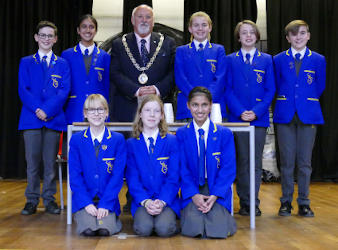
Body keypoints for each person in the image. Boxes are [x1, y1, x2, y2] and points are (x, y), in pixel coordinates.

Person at [273, 20, 326, 217]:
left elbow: (319, 86)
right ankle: (286, 201)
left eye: (302, 33)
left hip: (308, 114)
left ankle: (304, 202)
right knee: (287, 162)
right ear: (288, 38)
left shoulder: (319, 59)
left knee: (304, 162)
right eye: (294, 34)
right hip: (285, 114)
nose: (298, 37)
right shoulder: (278, 59)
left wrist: (304, 101)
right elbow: (277, 84)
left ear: (308, 35)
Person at [18, 21, 70, 215]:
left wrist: (47, 110)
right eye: (43, 35)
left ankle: (49, 199)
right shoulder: (26, 62)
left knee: (50, 163)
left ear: (55, 39)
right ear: (36, 37)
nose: (46, 39)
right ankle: (31, 200)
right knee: (32, 163)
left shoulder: (62, 63)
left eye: (50, 36)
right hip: (31, 119)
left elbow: (63, 91)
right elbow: (23, 90)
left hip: (53, 119)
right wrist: (38, 109)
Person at [226, 20, 275, 216]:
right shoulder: (230, 59)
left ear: (256, 36)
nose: (248, 36)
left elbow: (270, 89)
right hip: (237, 118)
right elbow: (227, 89)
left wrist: (256, 111)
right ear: (238, 37)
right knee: (242, 161)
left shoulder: (266, 60)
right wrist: (240, 112)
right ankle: (244, 201)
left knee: (255, 161)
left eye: (251, 32)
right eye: (244, 33)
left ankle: (253, 202)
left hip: (259, 119)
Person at [176, 87, 237, 238]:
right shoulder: (181, 134)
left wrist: (216, 194)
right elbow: (181, 168)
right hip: (193, 188)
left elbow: (228, 169)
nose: (200, 110)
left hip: (215, 188)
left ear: (211, 106)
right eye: (195, 105)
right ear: (188, 106)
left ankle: (223, 217)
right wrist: (193, 194)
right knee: (193, 230)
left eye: (204, 105)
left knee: (217, 230)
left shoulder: (224, 134)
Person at [68, 94, 126, 236]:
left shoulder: (118, 140)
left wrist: (106, 203)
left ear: (106, 112)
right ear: (85, 113)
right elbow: (75, 176)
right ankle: (84, 215)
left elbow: (117, 177)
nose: (96, 114)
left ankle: (113, 219)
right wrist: (87, 203)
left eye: (100, 109)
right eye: (91, 110)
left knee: (104, 231)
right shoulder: (76, 140)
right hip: (85, 198)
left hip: (107, 197)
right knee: (89, 231)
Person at [110, 4, 176, 122]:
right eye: (140, 16)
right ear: (132, 20)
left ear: (153, 21)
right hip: (127, 109)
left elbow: (173, 72)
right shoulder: (119, 44)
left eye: (148, 17)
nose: (144, 20)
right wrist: (136, 90)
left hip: (158, 109)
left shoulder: (167, 43)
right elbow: (115, 73)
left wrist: (157, 89)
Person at [125, 95, 180, 237]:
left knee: (164, 229)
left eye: (156, 111)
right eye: (147, 110)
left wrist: (162, 202)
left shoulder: (172, 141)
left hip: (166, 199)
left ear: (162, 115)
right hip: (143, 200)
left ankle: (169, 219)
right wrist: (146, 201)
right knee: (144, 229)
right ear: (140, 114)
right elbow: (132, 179)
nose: (151, 115)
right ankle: (147, 217)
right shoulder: (131, 144)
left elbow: (173, 177)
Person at [175, 11, 227, 121]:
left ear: (210, 28)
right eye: (196, 25)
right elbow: (180, 78)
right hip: (188, 108)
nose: (200, 28)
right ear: (190, 29)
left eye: (204, 25)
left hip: (213, 107)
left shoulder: (219, 50)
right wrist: (195, 99)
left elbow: (220, 78)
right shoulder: (181, 51)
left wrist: (207, 99)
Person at [62, 14, 110, 124]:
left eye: (91, 27)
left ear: (96, 30)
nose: (88, 30)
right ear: (78, 30)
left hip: (98, 112)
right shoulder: (67, 55)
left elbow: (107, 86)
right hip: (74, 110)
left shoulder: (104, 56)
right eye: (84, 26)